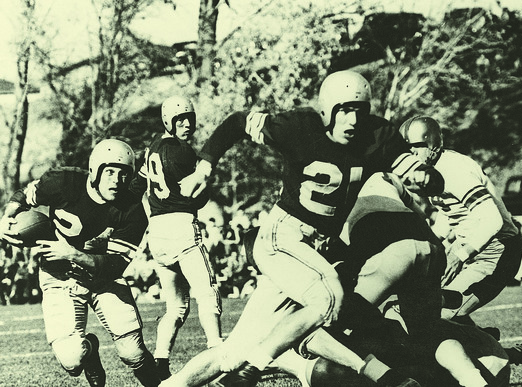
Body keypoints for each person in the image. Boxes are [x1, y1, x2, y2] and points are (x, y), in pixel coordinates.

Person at [175, 70, 444, 386]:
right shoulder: (299, 128)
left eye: (359, 110)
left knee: (233, 349)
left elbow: (427, 178)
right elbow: (237, 122)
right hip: (283, 237)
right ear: (328, 109)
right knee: (329, 296)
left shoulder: (378, 137)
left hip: (313, 249)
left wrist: (427, 177)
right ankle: (254, 369)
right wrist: (205, 167)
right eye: (344, 109)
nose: (353, 120)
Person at [0, 139, 161, 387]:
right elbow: (24, 196)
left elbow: (115, 265)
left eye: (123, 174)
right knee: (72, 360)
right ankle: (90, 351)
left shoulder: (131, 210)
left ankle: (167, 384)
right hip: (58, 276)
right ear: (95, 170)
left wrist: (72, 253)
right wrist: (7, 217)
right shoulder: (64, 182)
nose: (116, 181)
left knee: (132, 352)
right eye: (109, 172)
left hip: (102, 277)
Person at [130, 95, 223, 378]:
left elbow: (138, 184)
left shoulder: (151, 150)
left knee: (176, 306)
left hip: (157, 231)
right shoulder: (182, 152)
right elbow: (194, 191)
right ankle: (218, 353)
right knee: (208, 293)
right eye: (180, 120)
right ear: (169, 121)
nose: (186, 124)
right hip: (181, 226)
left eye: (189, 119)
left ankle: (160, 361)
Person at [398, 116, 522, 324]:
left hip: (497, 249)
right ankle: (491, 347)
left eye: (416, 146)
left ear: (433, 145)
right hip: (470, 246)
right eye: (406, 148)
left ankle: (512, 352)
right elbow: (449, 210)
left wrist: (459, 255)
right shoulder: (433, 169)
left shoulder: (454, 170)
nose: (411, 153)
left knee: (441, 315)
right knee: (419, 305)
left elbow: (493, 220)